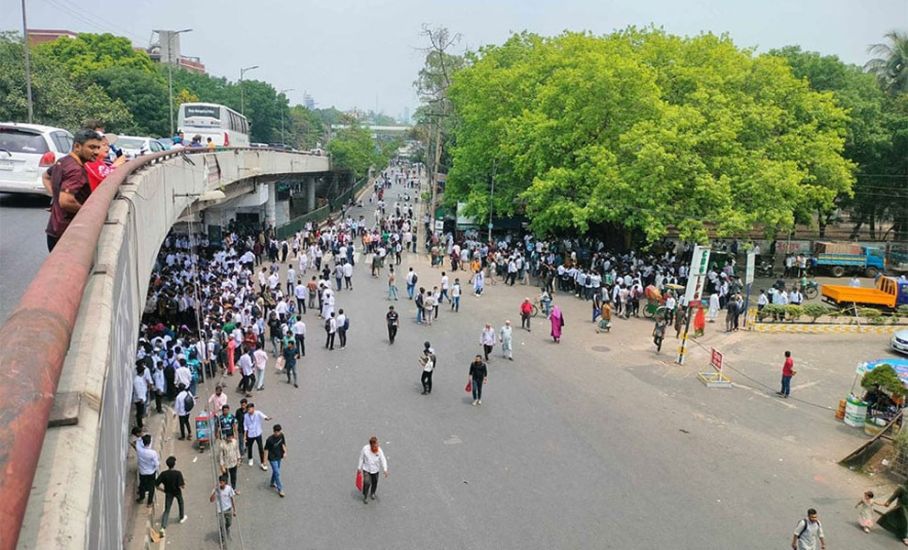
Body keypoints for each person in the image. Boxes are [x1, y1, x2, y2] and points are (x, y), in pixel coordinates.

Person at [44, 129, 102, 251]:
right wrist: (89, 213)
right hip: (66, 233)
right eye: (91, 147)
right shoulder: (76, 170)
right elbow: (66, 201)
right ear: (77, 146)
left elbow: (46, 176)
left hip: (54, 229)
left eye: (98, 147)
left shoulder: (63, 161)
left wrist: (55, 197)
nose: (96, 152)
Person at [155, 456, 187, 534]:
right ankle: (181, 517)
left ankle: (163, 527)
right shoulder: (178, 473)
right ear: (174, 464)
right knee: (181, 503)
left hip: (168, 493)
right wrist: (184, 484)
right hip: (177, 492)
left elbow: (156, 485)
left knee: (167, 509)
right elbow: (181, 486)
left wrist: (163, 490)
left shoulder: (163, 474)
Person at [356, 436, 388, 504]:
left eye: (377, 445)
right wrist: (359, 468)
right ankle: (365, 495)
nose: (376, 447)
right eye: (374, 446)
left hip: (375, 470)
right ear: (371, 445)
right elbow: (361, 458)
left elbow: (383, 459)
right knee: (367, 482)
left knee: (375, 482)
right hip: (366, 469)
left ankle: (372, 493)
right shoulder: (365, 449)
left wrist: (385, 469)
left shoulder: (379, 450)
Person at [243, 403, 272, 470]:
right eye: (247, 409)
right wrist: (245, 435)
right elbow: (245, 425)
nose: (248, 411)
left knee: (261, 448)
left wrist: (267, 418)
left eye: (249, 409)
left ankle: (262, 462)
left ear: (253, 408)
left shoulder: (257, 413)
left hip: (258, 433)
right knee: (249, 447)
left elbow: (263, 416)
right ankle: (250, 458)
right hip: (250, 434)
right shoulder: (246, 416)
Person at [210, 475, 237, 540]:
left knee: (229, 523)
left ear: (225, 482)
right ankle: (222, 536)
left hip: (228, 509)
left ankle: (226, 527)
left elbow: (232, 499)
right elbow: (211, 500)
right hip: (220, 510)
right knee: (221, 524)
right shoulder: (216, 489)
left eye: (222, 482)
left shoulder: (229, 489)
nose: (220, 484)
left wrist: (234, 510)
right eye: (220, 482)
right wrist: (214, 492)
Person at [264, 424, 288, 497]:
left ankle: (272, 482)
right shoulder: (269, 440)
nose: (278, 433)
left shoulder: (281, 435)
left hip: (279, 456)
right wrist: (264, 461)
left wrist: (285, 452)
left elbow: (283, 444)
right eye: (276, 432)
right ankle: (280, 489)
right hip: (272, 458)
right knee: (277, 472)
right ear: (274, 431)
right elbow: (266, 450)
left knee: (276, 471)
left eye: (279, 432)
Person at [136, 434, 159, 507]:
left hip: (142, 471)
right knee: (151, 487)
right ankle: (149, 502)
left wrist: (141, 438)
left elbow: (138, 440)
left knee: (142, 484)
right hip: (151, 472)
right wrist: (156, 469)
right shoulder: (152, 453)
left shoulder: (139, 449)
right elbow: (156, 463)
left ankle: (141, 498)